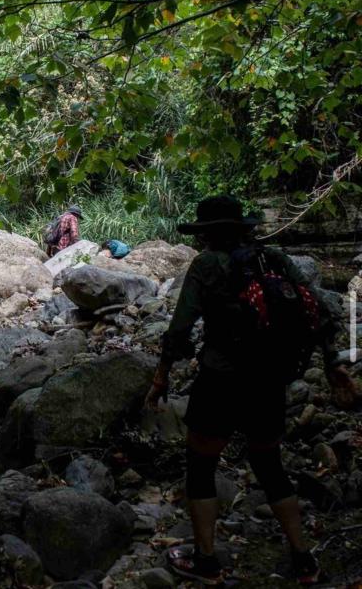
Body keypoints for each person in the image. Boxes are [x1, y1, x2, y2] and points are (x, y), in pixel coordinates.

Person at [144, 195, 357, 586]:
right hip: (268, 380)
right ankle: (304, 560)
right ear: (245, 228)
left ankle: (206, 562)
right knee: (270, 465)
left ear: (206, 234)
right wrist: (333, 365)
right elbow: (320, 310)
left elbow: (179, 329)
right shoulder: (273, 260)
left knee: (202, 465)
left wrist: (161, 377)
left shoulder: (206, 264)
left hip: (220, 380)